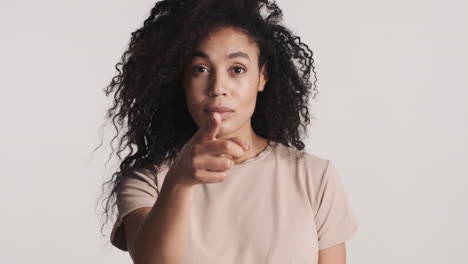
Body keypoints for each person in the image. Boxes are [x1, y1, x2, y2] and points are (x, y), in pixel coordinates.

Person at [98, 0, 359, 263]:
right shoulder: (147, 183)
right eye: (201, 69)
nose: (218, 87)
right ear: (182, 81)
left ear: (262, 77)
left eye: (237, 69)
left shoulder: (314, 177)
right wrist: (179, 182)